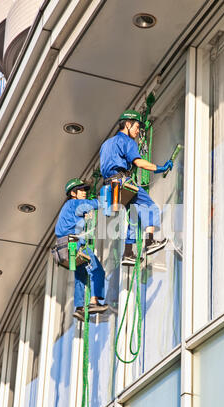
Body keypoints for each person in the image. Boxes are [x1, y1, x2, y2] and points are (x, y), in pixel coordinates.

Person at [100, 109, 173, 266]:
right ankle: (150, 242)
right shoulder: (127, 142)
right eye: (137, 127)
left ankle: (128, 252)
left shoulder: (106, 144)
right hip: (122, 182)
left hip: (110, 188)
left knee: (134, 215)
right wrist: (160, 168)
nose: (138, 131)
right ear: (127, 124)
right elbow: (139, 162)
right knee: (151, 207)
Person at [55, 178, 108, 321]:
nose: (84, 193)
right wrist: (107, 192)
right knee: (97, 269)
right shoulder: (74, 203)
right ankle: (94, 302)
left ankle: (79, 308)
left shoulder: (67, 207)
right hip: (74, 243)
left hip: (64, 247)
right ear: (73, 193)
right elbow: (97, 204)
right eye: (82, 190)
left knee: (80, 275)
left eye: (85, 190)